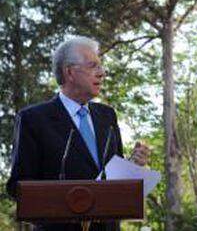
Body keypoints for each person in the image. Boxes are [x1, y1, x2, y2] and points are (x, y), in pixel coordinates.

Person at [7, 36, 150, 231]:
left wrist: (133, 166)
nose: (102, 73)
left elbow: (114, 179)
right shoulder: (33, 119)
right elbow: (19, 185)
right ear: (69, 72)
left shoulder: (107, 116)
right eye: (93, 66)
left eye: (101, 67)